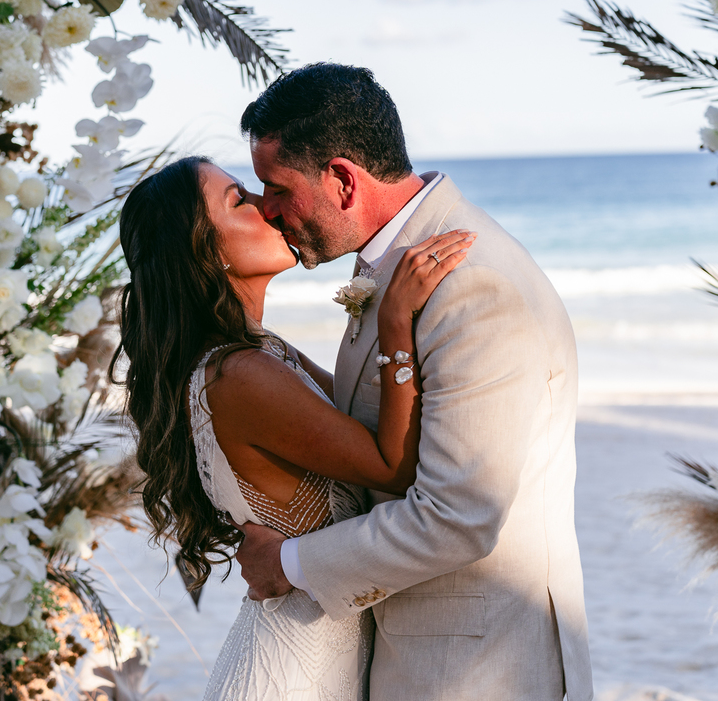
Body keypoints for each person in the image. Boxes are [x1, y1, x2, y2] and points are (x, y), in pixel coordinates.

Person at [233, 63, 594, 700]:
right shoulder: (399, 273)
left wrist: (287, 564)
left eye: (277, 187)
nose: (267, 209)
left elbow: (458, 518)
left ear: (343, 180)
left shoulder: (471, 287)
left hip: (475, 671)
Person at [114, 154, 474, 700]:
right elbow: (393, 467)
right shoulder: (238, 373)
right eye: (240, 200)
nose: (267, 205)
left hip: (312, 662)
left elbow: (361, 421)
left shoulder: (258, 352)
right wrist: (393, 325)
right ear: (202, 251)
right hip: (290, 677)